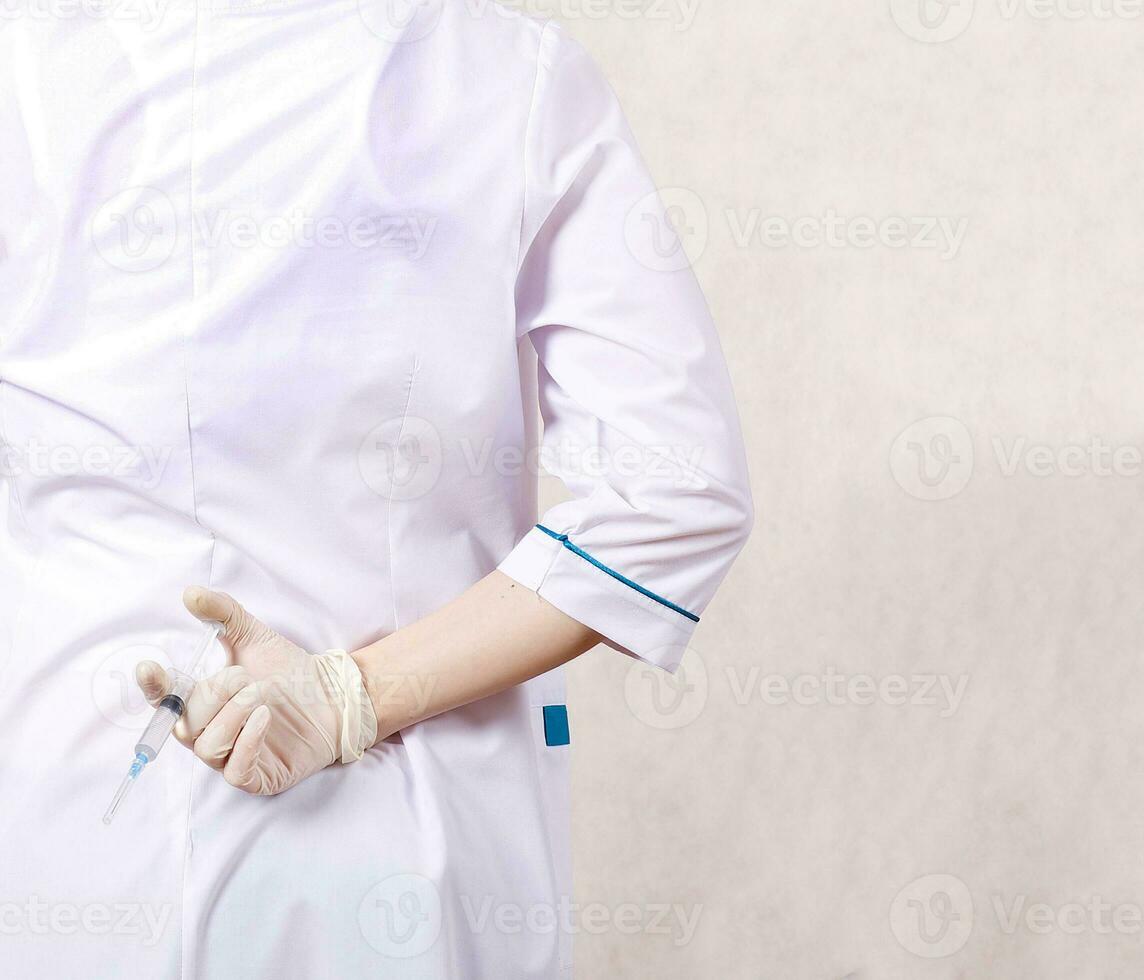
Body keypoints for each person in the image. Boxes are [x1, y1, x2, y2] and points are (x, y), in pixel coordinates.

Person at [0, 0, 752, 975]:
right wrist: (352, 695)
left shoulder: (23, 65)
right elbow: (678, 489)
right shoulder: (499, 74)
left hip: (64, 839)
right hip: (403, 862)